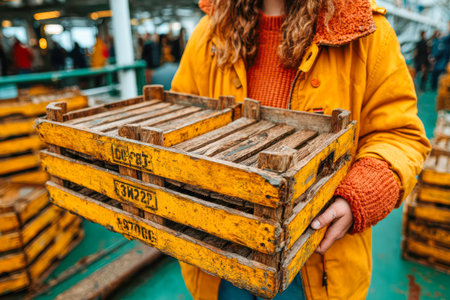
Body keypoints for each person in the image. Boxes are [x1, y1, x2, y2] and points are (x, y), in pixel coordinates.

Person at [171, 0, 430, 299]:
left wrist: (359, 192)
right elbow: (181, 115)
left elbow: (399, 134)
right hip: (219, 252)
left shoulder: (361, 27)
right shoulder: (212, 30)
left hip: (316, 258)